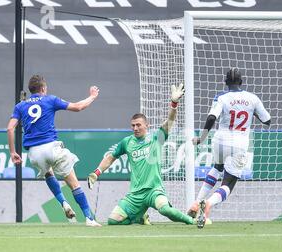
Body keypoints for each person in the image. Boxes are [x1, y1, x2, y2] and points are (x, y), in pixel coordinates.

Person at [87, 84, 203, 227]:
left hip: (154, 190)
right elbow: (111, 158)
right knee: (113, 220)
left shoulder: (157, 138)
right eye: (133, 125)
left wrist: (174, 103)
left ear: (146, 125)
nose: (135, 128)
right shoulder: (127, 142)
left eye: (138, 125)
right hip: (135, 194)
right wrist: (97, 172)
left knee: (166, 209)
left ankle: (193, 221)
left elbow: (170, 121)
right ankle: (140, 217)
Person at [7, 75, 101, 227]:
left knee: (48, 173)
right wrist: (92, 96)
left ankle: (63, 202)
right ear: (43, 88)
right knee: (74, 184)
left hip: (34, 153)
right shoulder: (50, 99)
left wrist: (12, 152)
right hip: (51, 147)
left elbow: (10, 128)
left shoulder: (20, 106)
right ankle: (89, 218)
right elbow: (78, 107)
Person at [188, 68, 271, 225]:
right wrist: (252, 113)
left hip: (220, 140)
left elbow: (212, 116)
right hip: (239, 144)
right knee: (228, 184)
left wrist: (202, 138)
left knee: (217, 167)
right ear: (241, 82)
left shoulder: (221, 97)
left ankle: (197, 201)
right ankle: (209, 203)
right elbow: (267, 121)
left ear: (225, 82)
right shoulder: (252, 98)